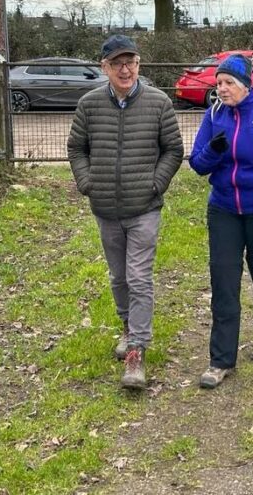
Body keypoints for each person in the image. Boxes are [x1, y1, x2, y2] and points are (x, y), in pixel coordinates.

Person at [66, 34, 184, 390]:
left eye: (130, 62)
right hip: (106, 208)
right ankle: (128, 327)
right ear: (104, 67)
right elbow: (76, 148)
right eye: (117, 63)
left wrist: (155, 184)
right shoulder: (89, 105)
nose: (124, 69)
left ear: (138, 64)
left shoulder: (158, 102)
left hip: (144, 207)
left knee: (138, 277)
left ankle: (136, 352)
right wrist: (87, 182)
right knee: (118, 277)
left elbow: (173, 150)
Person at [189, 54, 253, 389]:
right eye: (218, 83)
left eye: (228, 83)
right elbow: (198, 164)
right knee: (223, 278)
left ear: (245, 85)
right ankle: (220, 360)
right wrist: (214, 151)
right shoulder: (214, 115)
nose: (221, 89)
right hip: (223, 208)